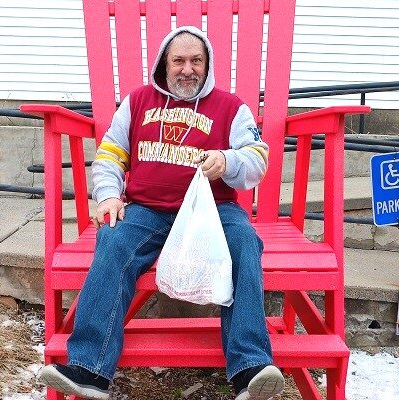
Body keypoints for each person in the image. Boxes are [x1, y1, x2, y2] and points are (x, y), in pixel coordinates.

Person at [40, 26, 284, 400]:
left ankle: (249, 367)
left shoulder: (231, 107)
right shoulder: (138, 101)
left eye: (196, 60)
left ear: (208, 64)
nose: (188, 69)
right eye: (179, 61)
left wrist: (227, 160)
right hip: (146, 210)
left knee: (245, 242)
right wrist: (107, 195)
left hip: (214, 210)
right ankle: (89, 369)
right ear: (163, 65)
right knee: (112, 238)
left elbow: (257, 160)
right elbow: (110, 153)